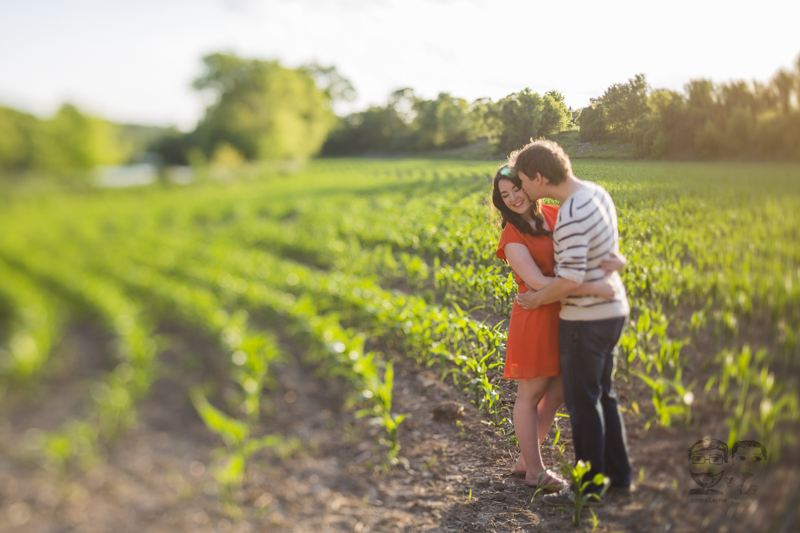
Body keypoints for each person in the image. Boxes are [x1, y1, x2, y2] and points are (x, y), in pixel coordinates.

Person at [510, 139, 632, 507]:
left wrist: (537, 298)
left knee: (583, 404)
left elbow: (569, 279)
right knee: (604, 396)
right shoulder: (597, 192)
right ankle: (619, 474)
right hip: (612, 313)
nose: (523, 191)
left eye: (523, 182)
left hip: (586, 319)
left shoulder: (571, 213)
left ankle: (588, 487)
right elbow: (605, 251)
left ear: (539, 177)